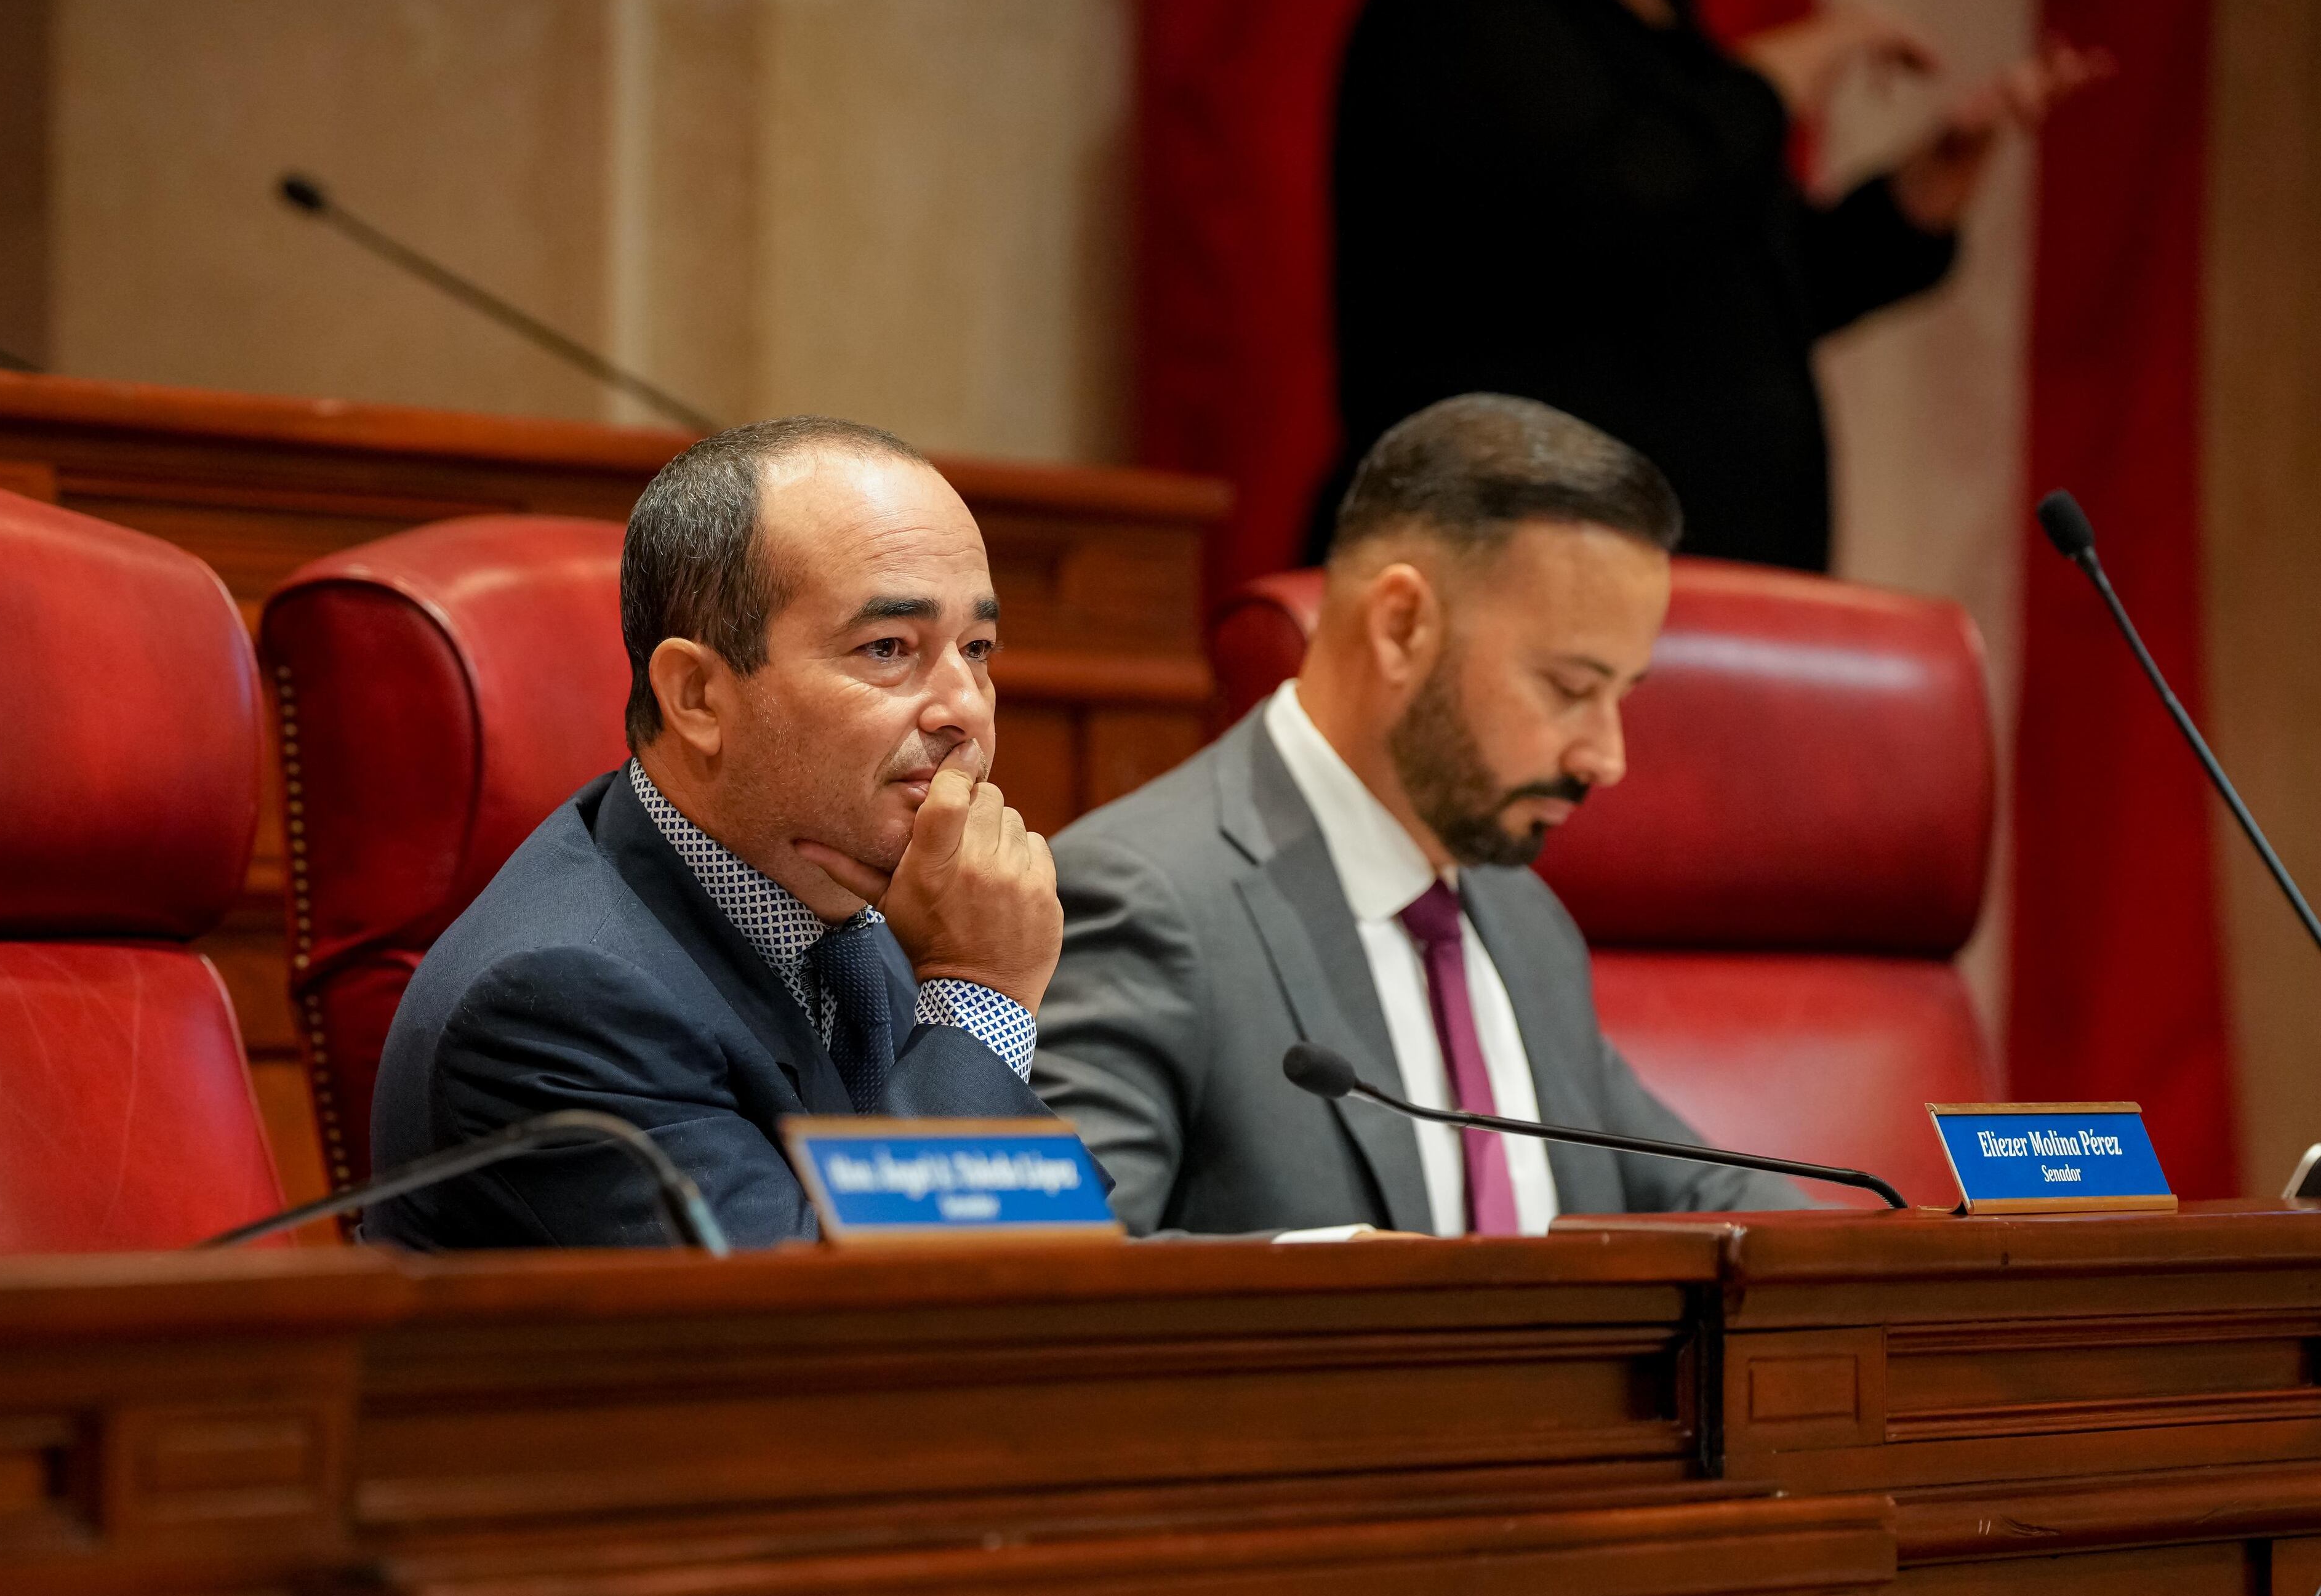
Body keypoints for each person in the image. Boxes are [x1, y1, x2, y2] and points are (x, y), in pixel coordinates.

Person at [1036, 393, 1797, 1236]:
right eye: (1571, 689)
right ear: (1402, 626)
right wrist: (1368, 1293)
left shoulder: (1523, 920)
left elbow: (1706, 1192)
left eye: (1622, 694)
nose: (1605, 759)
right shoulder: (1146, 899)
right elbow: (1080, 1275)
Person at [369, 416, 1063, 1249]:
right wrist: (979, 994)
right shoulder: (557, 1002)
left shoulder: (874, 919)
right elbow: (850, 1342)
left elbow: (1065, 1256)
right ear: (697, 695)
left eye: (977, 647)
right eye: (888, 647)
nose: (964, 709)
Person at [1324, 0, 2106, 571]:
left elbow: (1741, 284)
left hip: (1689, 582)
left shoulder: (1650, 13)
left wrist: (1922, 188)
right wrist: (1796, 63)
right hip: (1513, 567)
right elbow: (1617, 206)